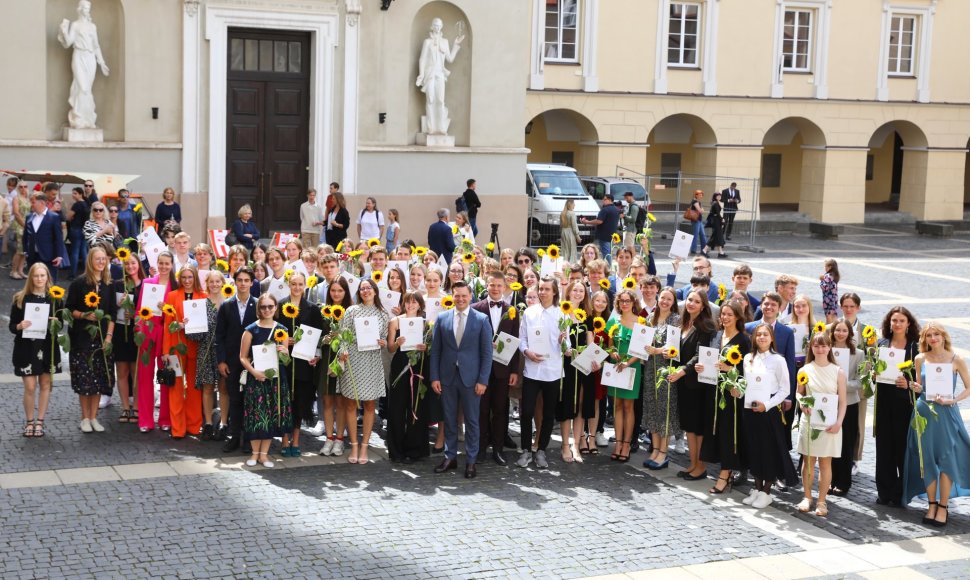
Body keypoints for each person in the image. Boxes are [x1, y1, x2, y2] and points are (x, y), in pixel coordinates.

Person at [903, 322, 970, 527]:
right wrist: (914, 386)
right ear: (925, 339)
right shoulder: (919, 359)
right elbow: (919, 387)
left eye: (937, 335)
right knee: (928, 460)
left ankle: (943, 506)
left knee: (947, 459)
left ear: (943, 337)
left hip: (947, 413)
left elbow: (969, 387)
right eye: (929, 335)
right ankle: (931, 504)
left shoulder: (956, 359)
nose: (933, 338)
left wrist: (953, 400)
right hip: (924, 413)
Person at [429, 281, 492, 478]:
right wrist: (435, 377)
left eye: (464, 295)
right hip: (447, 378)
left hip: (472, 380)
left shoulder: (481, 319)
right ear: (452, 296)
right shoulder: (442, 318)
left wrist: (483, 380)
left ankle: (471, 461)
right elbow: (436, 351)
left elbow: (486, 353)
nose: (460, 299)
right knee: (449, 420)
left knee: (472, 421)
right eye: (457, 295)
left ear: (470, 296)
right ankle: (450, 457)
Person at [741, 323, 797, 509]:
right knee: (754, 448)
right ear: (754, 338)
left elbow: (785, 390)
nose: (762, 338)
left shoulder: (778, 360)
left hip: (769, 410)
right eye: (758, 335)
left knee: (768, 450)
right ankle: (756, 488)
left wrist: (768, 405)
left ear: (771, 338)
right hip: (750, 410)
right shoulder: (748, 358)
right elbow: (745, 384)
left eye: (765, 334)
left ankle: (766, 491)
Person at [699, 302, 751, 494]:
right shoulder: (717, 335)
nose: (726, 317)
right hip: (713, 391)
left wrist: (730, 369)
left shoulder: (744, 340)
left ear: (738, 317)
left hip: (731, 396)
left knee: (729, 434)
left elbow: (748, 370)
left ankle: (725, 474)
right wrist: (701, 367)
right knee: (716, 432)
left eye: (730, 314)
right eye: (723, 314)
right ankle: (722, 470)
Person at [336, 279, 389, 465]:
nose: (366, 291)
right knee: (350, 404)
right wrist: (342, 350)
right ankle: (354, 444)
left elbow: (384, 339)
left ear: (375, 291)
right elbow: (343, 334)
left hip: (372, 362)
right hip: (353, 360)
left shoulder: (383, 314)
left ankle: (365, 445)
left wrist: (383, 342)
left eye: (369, 288)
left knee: (369, 405)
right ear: (359, 292)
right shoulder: (351, 311)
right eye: (362, 288)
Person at [471, 272, 521, 465]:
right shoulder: (476, 309)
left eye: (499, 285)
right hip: (481, 369)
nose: (495, 288)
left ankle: (498, 449)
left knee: (500, 409)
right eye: (492, 285)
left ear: (505, 286)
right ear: (487, 285)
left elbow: (515, 342)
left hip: (503, 369)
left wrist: (515, 370)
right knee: (481, 410)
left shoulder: (512, 311)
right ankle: (481, 448)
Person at [667, 289, 717, 480]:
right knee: (689, 426)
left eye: (696, 301)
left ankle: (701, 467)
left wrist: (682, 371)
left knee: (697, 427)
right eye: (689, 300)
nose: (691, 304)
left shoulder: (706, 326)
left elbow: (699, 354)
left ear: (703, 305)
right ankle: (693, 463)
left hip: (697, 384)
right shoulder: (682, 322)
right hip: (684, 383)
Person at [796, 332, 848, 517]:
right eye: (817, 346)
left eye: (824, 345)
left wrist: (839, 422)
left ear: (829, 348)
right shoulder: (804, 370)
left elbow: (843, 402)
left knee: (826, 463)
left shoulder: (838, 372)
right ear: (811, 347)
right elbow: (799, 393)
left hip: (830, 424)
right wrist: (801, 403)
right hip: (810, 421)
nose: (820, 349)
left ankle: (822, 500)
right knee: (808, 461)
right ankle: (807, 496)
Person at [66, 246, 116, 433]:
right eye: (98, 259)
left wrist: (109, 337)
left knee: (98, 380)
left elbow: (111, 313)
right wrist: (84, 316)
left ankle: (94, 417)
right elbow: (69, 309)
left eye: (104, 259)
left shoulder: (108, 285)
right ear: (90, 261)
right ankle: (84, 417)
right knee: (84, 380)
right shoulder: (79, 283)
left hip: (102, 339)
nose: (101, 262)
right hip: (82, 339)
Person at [517, 276, 565, 469]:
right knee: (527, 411)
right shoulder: (529, 313)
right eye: (541, 289)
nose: (543, 292)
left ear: (554, 292)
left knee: (548, 413)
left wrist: (563, 341)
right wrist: (527, 351)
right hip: (532, 370)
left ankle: (542, 450)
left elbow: (567, 345)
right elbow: (522, 340)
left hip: (552, 371)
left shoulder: (562, 315)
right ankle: (526, 449)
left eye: (547, 289)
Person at [875, 306, 921, 507]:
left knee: (902, 447)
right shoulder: (881, 344)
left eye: (902, 320)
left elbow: (921, 382)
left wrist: (908, 384)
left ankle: (901, 491)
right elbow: (874, 374)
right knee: (883, 447)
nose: (897, 324)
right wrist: (874, 375)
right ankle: (884, 491)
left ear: (908, 323)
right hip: (884, 401)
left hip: (905, 403)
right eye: (894, 320)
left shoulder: (915, 347)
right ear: (889, 322)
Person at [239, 293, 291, 468]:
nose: (267, 310)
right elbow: (243, 357)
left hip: (275, 379)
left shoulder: (282, 330)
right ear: (258, 309)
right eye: (264, 307)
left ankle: (264, 454)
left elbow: (286, 360)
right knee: (256, 416)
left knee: (269, 415)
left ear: (276, 308)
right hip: (257, 379)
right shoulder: (250, 330)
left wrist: (284, 353)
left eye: (270, 306)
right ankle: (254, 453)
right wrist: (254, 372)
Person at [10, 263, 61, 438]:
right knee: (30, 387)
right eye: (36, 276)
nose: (39, 279)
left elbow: (61, 325)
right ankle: (29, 421)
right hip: (27, 348)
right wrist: (19, 325)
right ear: (30, 277)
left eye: (42, 275)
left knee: (46, 384)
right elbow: (11, 326)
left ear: (48, 277)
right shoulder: (20, 298)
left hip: (47, 346)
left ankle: (40, 422)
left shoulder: (55, 298)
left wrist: (55, 322)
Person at [276, 272, 324, 457]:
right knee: (285, 401)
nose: (297, 287)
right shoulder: (280, 305)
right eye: (293, 284)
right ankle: (284, 439)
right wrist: (283, 341)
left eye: (300, 284)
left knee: (299, 402)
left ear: (305, 285)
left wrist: (317, 355)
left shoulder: (312, 309)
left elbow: (318, 335)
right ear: (288, 284)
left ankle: (295, 439)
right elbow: (274, 330)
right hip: (285, 362)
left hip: (303, 363)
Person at [215, 267, 258, 451]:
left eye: (246, 280)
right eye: (239, 280)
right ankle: (234, 436)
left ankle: (249, 438)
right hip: (232, 362)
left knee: (251, 400)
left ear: (251, 282)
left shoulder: (257, 305)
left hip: (253, 362)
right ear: (234, 282)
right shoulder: (226, 306)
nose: (242, 283)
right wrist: (221, 361)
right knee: (235, 399)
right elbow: (220, 336)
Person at [161, 266, 206, 439]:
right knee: (176, 388)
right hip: (175, 347)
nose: (187, 280)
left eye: (190, 277)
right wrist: (165, 351)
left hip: (196, 347)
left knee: (195, 388)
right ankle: (177, 428)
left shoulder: (203, 297)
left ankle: (194, 426)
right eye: (184, 277)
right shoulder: (172, 296)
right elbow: (167, 326)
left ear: (195, 278)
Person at [385, 292, 431, 463]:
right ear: (403, 304)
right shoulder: (394, 321)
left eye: (414, 302)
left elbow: (430, 347)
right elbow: (390, 348)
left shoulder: (426, 323)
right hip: (400, 365)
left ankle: (414, 449)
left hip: (418, 364)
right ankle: (396, 450)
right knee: (397, 407)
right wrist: (397, 343)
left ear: (420, 304)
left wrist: (426, 347)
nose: (411, 305)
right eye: (408, 302)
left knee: (417, 406)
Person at [134, 251, 175, 433]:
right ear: (156, 264)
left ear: (172, 265)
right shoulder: (147, 283)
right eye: (161, 263)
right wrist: (139, 331)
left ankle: (166, 418)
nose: (164, 266)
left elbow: (178, 313)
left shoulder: (176, 286)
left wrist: (166, 310)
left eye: (167, 263)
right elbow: (139, 311)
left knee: (167, 376)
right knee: (145, 377)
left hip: (168, 336)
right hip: (148, 333)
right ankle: (145, 419)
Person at [184, 270, 225, 439]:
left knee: (223, 388)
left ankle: (223, 423)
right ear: (207, 284)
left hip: (224, 351)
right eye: (211, 282)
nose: (215, 284)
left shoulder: (229, 303)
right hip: (205, 349)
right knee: (207, 387)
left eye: (218, 281)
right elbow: (194, 335)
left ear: (223, 283)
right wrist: (189, 325)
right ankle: (207, 423)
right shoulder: (201, 303)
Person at [641, 288, 680, 469]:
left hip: (665, 371)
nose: (664, 301)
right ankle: (655, 449)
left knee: (664, 411)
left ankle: (663, 453)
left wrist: (656, 350)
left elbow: (673, 348)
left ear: (673, 302)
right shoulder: (650, 319)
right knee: (652, 409)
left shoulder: (676, 320)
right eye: (662, 298)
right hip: (650, 369)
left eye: (669, 299)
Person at [57, 0, 109, 129]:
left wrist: (101, 63)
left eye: (89, 8)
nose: (87, 10)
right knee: (82, 87)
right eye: (85, 8)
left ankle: (88, 119)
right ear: (80, 9)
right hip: (79, 56)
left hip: (90, 57)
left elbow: (96, 46)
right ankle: (78, 117)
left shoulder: (92, 27)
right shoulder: (75, 25)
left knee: (88, 90)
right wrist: (63, 31)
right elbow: (68, 43)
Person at [605, 289, 643, 463]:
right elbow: (610, 345)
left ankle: (627, 444)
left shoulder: (641, 323)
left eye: (628, 301)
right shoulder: (613, 320)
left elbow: (642, 350)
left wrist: (628, 362)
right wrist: (612, 353)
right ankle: (618, 443)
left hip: (631, 368)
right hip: (616, 368)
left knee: (629, 406)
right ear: (618, 303)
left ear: (633, 302)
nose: (625, 304)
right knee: (617, 406)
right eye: (622, 301)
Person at [316, 277, 353, 456]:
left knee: (342, 400)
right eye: (333, 290)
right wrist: (325, 339)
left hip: (344, 361)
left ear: (346, 292)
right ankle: (328, 438)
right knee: (328, 400)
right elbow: (316, 337)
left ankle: (339, 439)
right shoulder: (323, 311)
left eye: (340, 291)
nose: (336, 294)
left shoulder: (351, 311)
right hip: (326, 361)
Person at [828, 319, 864, 496]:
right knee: (830, 442)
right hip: (830, 403)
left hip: (849, 402)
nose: (840, 334)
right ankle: (831, 480)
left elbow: (860, 381)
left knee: (846, 443)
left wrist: (841, 384)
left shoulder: (858, 354)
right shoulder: (826, 351)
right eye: (837, 330)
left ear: (850, 334)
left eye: (844, 331)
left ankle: (843, 482)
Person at [416, 17, 464, 135]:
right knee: (430, 100)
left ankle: (441, 127)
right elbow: (422, 59)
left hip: (440, 74)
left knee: (440, 100)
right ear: (432, 27)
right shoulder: (427, 42)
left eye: (439, 25)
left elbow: (450, 59)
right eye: (435, 25)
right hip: (430, 74)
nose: (437, 27)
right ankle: (430, 128)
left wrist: (455, 45)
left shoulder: (445, 42)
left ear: (441, 26)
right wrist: (421, 74)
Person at [112, 252, 144, 424]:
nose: (130, 267)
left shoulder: (145, 285)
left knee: (136, 372)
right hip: (120, 332)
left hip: (137, 333)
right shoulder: (118, 285)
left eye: (133, 263)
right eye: (127, 264)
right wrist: (118, 304)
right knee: (122, 371)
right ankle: (125, 407)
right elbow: (110, 308)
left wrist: (136, 315)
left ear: (138, 264)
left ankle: (137, 406)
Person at [23, 192, 67, 282]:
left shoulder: (54, 217)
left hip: (49, 256)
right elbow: (26, 235)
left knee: (49, 281)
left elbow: (58, 237)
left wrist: (59, 255)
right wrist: (25, 251)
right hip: (32, 256)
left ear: (42, 203)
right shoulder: (29, 217)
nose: (31, 204)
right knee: (34, 281)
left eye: (33, 202)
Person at [581, 194, 621, 264]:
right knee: (608, 252)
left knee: (606, 253)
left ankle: (608, 268)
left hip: (604, 235)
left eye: (605, 199)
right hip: (612, 235)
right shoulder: (616, 209)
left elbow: (599, 221)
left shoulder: (605, 210)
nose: (603, 201)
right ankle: (608, 266)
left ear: (609, 200)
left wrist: (587, 221)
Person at [65, 187, 88, 279]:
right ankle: (87, 272)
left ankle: (72, 274)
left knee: (75, 252)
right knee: (84, 251)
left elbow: (68, 217)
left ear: (80, 194)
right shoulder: (85, 204)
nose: (73, 195)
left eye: (75, 193)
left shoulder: (77, 205)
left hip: (76, 229)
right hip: (84, 230)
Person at [10, 181, 32, 279]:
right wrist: (24, 224)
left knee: (25, 250)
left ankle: (20, 270)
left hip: (27, 225)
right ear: (18, 188)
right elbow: (16, 212)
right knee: (19, 249)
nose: (23, 188)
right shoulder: (16, 198)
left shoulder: (28, 198)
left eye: (25, 186)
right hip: (20, 225)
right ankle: (13, 271)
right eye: (21, 187)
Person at [703, 192, 727, 259]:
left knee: (717, 236)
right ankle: (704, 250)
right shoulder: (715, 203)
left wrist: (721, 219)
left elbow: (717, 213)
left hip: (716, 220)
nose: (719, 197)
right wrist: (722, 219)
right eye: (718, 196)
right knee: (715, 236)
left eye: (720, 196)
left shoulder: (716, 202)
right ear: (715, 196)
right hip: (715, 221)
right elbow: (717, 213)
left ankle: (720, 252)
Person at [686, 190, 707, 256]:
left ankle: (704, 249)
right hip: (696, 220)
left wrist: (702, 210)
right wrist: (702, 210)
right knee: (696, 235)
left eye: (701, 194)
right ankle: (693, 250)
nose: (701, 196)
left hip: (699, 220)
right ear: (696, 195)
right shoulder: (695, 201)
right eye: (699, 194)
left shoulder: (698, 202)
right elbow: (700, 211)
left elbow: (701, 210)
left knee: (702, 235)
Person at [819, 258, 840, 324]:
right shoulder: (835, 275)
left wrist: (822, 280)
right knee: (834, 314)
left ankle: (829, 330)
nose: (824, 268)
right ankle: (835, 327)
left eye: (825, 266)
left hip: (828, 299)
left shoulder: (827, 276)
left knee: (828, 315)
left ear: (830, 267)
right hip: (834, 298)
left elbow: (825, 287)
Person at [559, 199, 580, 263]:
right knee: (572, 250)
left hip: (563, 231)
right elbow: (574, 226)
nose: (575, 205)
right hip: (570, 232)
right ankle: (571, 265)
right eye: (574, 204)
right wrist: (578, 237)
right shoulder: (572, 213)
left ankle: (564, 263)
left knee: (564, 250)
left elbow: (560, 225)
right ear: (571, 205)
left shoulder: (562, 213)